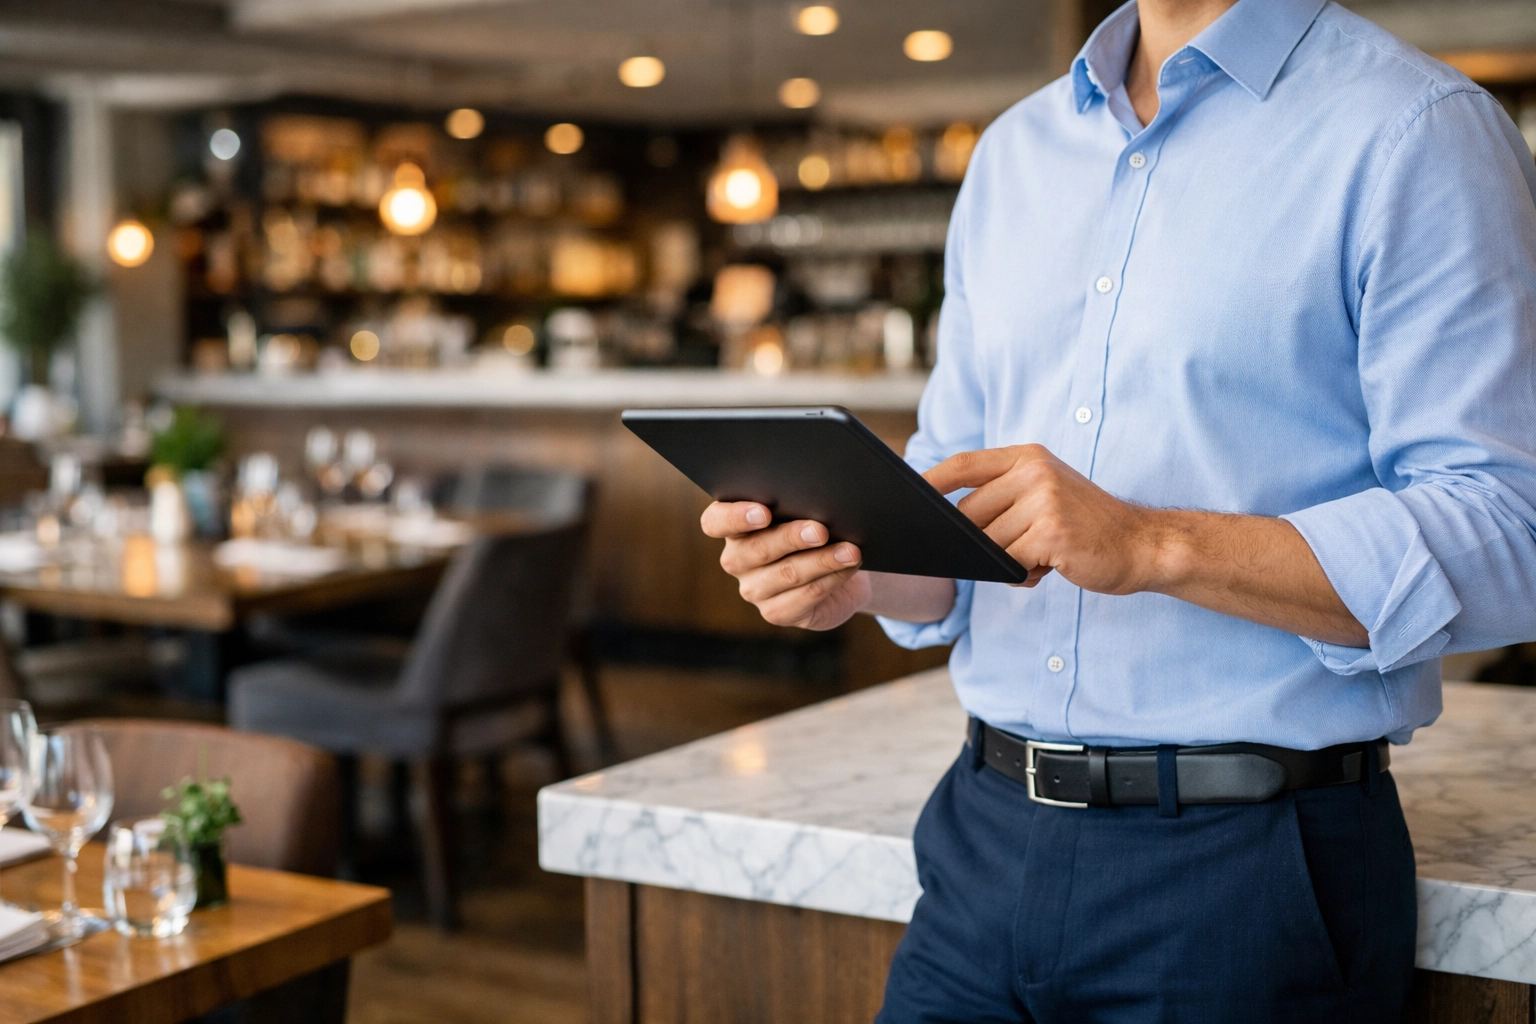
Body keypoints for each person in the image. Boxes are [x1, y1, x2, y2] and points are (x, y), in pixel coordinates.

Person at [700, 0, 1536, 1020]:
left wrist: (1150, 542)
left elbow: (1510, 530)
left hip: (1247, 877)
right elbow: (959, 511)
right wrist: (846, 566)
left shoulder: (1416, 130)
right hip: (979, 838)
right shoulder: (1013, 154)